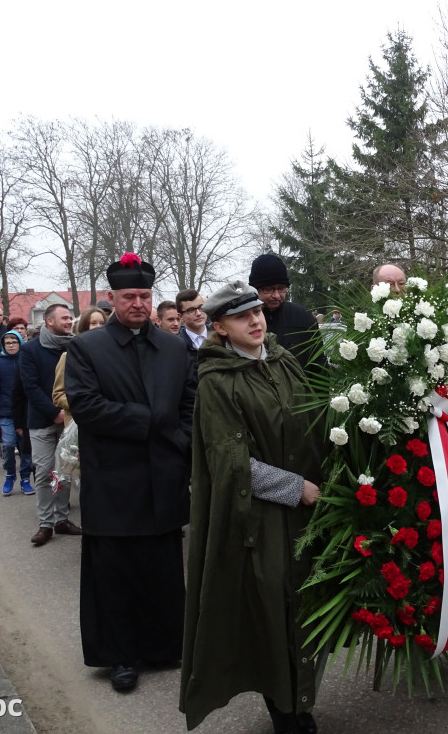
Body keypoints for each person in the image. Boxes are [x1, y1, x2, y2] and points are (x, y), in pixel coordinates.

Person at [180, 281, 324, 733]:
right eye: (243, 316)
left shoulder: (283, 362)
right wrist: (294, 488)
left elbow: (315, 419)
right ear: (219, 327)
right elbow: (230, 460)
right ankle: (286, 711)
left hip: (307, 511)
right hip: (259, 518)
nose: (256, 320)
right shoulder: (218, 381)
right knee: (271, 612)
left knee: (305, 608)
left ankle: (301, 700)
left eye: (258, 312)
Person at [65, 252, 196, 693]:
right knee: (114, 573)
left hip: (162, 473)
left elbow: (190, 404)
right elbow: (86, 406)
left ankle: (163, 645)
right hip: (113, 479)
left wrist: (182, 443)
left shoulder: (174, 346)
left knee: (161, 566)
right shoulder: (87, 347)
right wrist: (151, 421)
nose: (138, 303)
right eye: (129, 296)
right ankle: (120, 655)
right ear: (111, 298)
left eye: (144, 295)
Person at [19, 304, 79, 546]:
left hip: (69, 422)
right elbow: (30, 386)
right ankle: (45, 523)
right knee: (45, 471)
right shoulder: (31, 350)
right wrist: (54, 412)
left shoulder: (76, 347)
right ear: (49, 321)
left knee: (63, 472)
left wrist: (66, 413)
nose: (69, 321)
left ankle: (61, 519)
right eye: (64, 318)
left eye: (70, 317)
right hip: (42, 421)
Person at [248, 253, 324, 375]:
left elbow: (319, 365)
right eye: (269, 289)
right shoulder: (243, 321)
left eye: (281, 288)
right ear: (254, 289)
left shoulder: (304, 319)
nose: (277, 295)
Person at [0, 331, 35, 497]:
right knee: (8, 445)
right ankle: (9, 474)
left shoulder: (26, 360)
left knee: (26, 448)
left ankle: (26, 478)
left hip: (25, 411)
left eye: (14, 342)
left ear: (20, 343)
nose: (12, 345)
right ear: (3, 345)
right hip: (5, 412)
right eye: (8, 343)